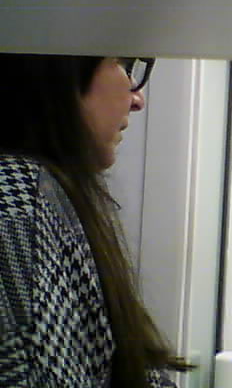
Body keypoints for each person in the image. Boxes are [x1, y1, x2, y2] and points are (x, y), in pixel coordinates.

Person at [0, 55, 191, 387]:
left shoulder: (44, 190)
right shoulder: (18, 198)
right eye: (125, 65)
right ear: (63, 71)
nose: (138, 100)